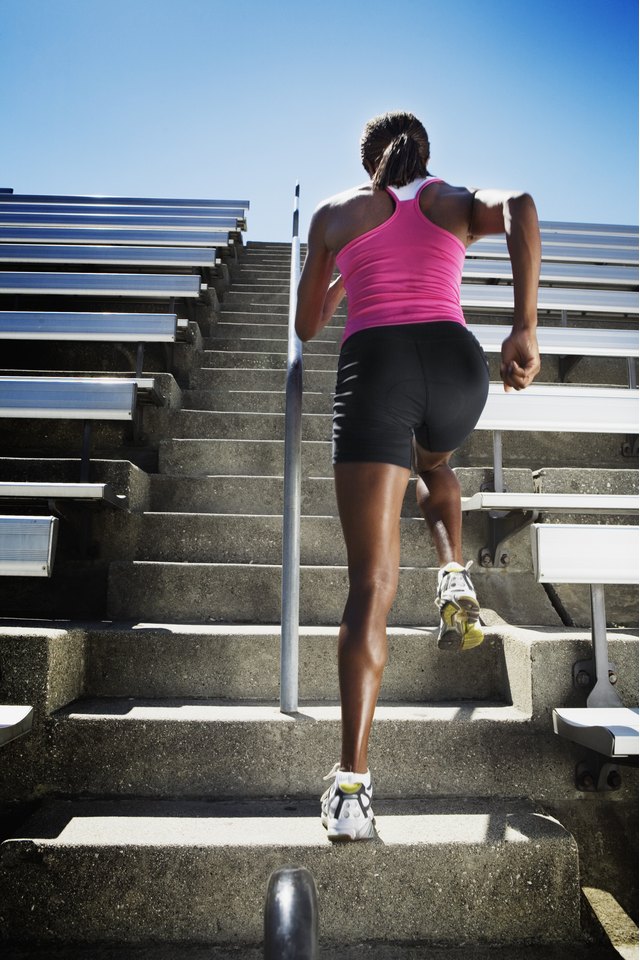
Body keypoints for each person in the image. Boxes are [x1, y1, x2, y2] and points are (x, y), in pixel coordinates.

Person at [295, 111, 541, 842]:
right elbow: (523, 206)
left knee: (370, 583)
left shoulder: (339, 214)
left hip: (377, 368)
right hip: (454, 367)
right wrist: (524, 326)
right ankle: (452, 573)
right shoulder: (450, 201)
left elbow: (308, 326)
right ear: (423, 154)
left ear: (369, 160)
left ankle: (351, 790)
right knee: (435, 463)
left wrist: (343, 273)